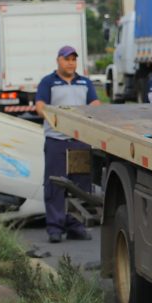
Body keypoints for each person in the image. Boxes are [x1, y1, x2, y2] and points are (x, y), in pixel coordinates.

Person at [34, 45, 100, 243]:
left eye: (73, 59)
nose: (70, 62)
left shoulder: (84, 82)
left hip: (79, 141)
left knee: (80, 185)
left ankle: (75, 225)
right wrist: (53, 116)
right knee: (55, 184)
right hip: (57, 141)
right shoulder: (48, 82)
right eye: (66, 59)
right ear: (58, 61)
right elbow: (40, 106)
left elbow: (95, 104)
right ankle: (55, 227)